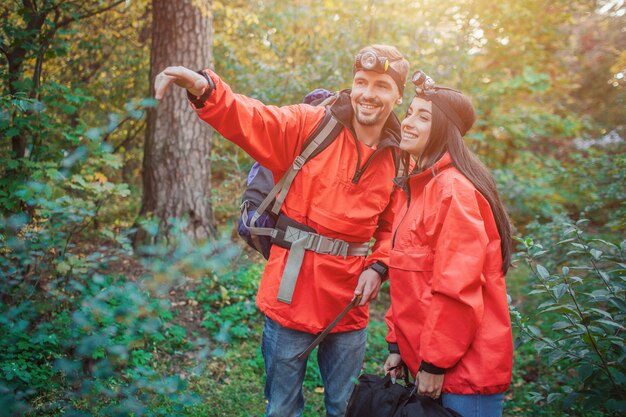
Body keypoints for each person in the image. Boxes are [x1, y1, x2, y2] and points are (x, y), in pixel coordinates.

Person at [154, 45, 410, 417]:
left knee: (344, 408)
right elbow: (255, 119)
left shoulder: (401, 155)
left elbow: (394, 226)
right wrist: (205, 88)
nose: (369, 93)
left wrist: (378, 266)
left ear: (398, 95)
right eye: (361, 82)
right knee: (282, 409)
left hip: (349, 303)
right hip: (291, 294)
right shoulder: (311, 124)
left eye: (382, 85)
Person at [383, 70, 513, 417]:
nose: (408, 122)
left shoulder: (453, 191)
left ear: (444, 129)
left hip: (464, 376)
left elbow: (458, 289)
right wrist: (397, 342)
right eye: (409, 112)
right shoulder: (417, 186)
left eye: (423, 117)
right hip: (430, 361)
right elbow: (409, 277)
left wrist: (435, 363)